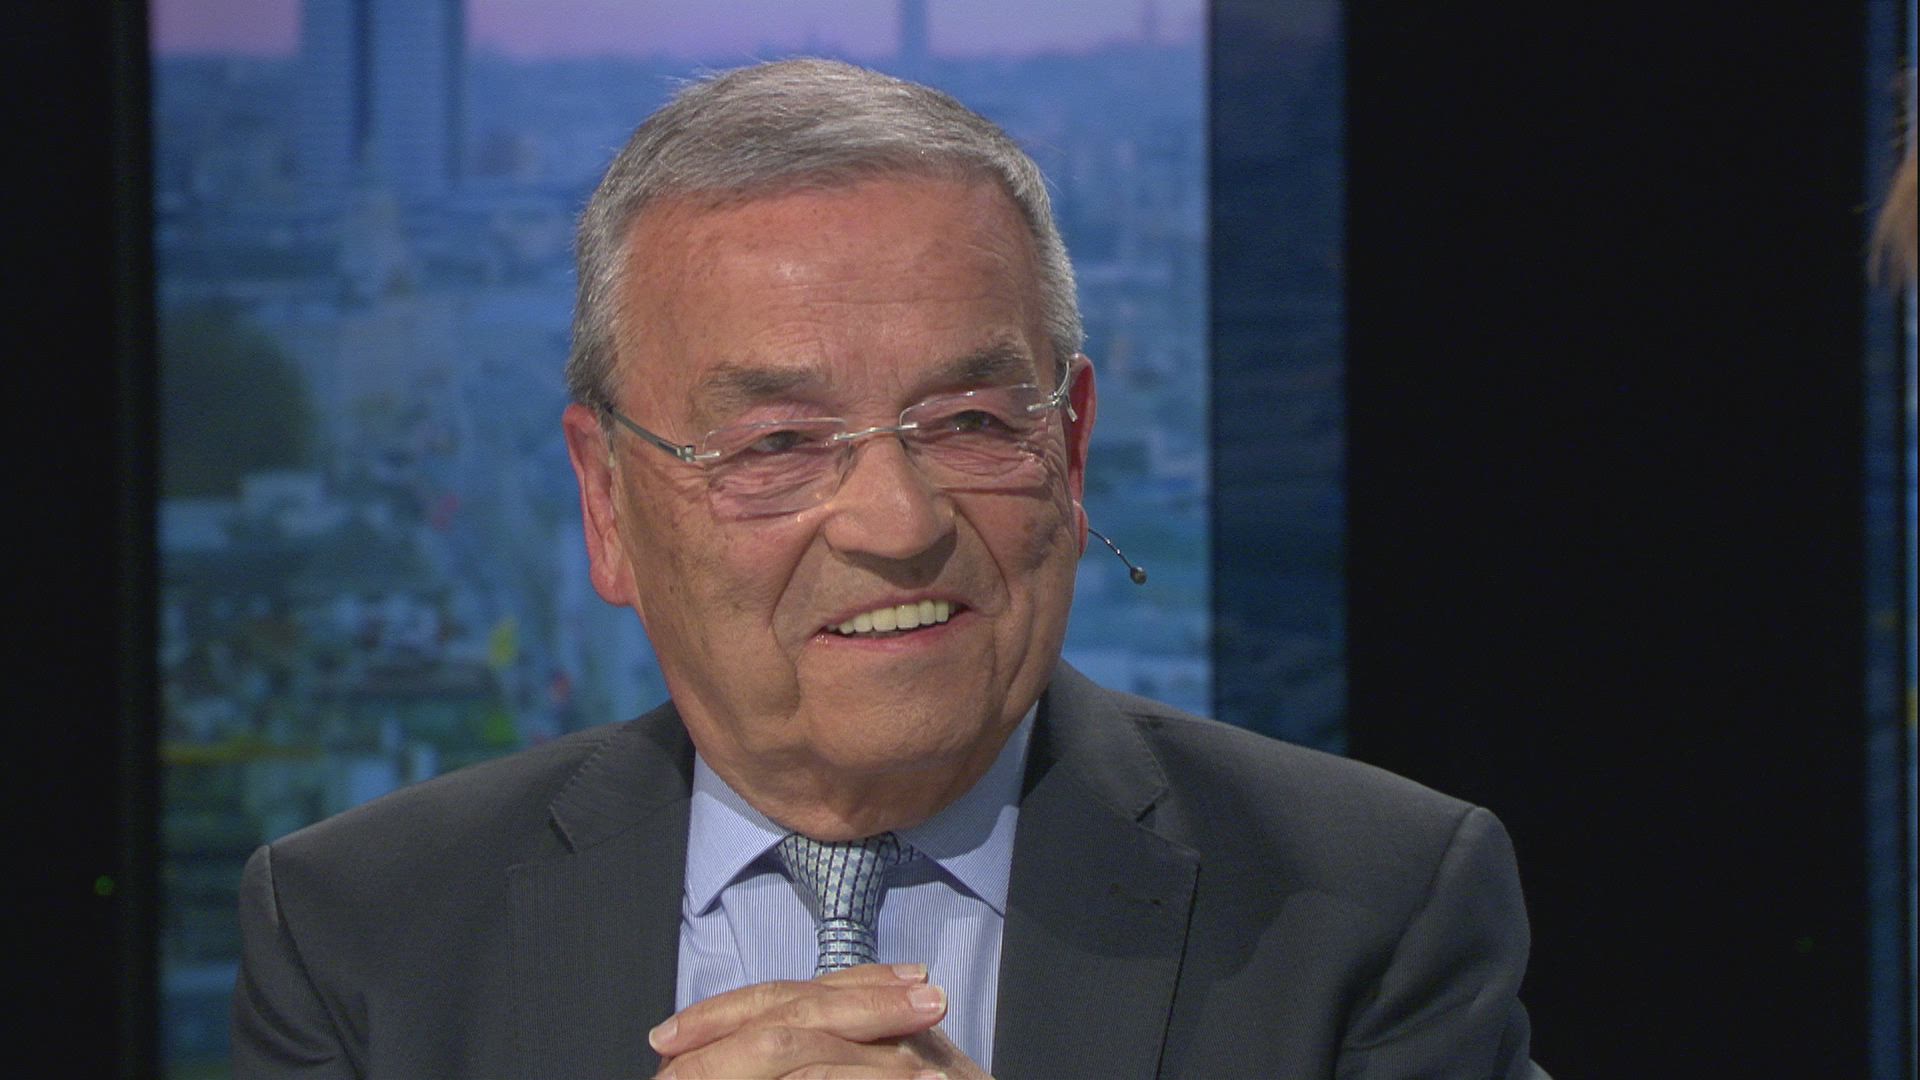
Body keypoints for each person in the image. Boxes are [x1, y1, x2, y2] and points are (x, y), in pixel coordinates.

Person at [232, 59, 1540, 1079]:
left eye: (969, 422)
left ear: (1072, 447)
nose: (896, 520)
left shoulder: (1371, 909)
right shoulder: (362, 933)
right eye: (777, 445)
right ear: (608, 503)